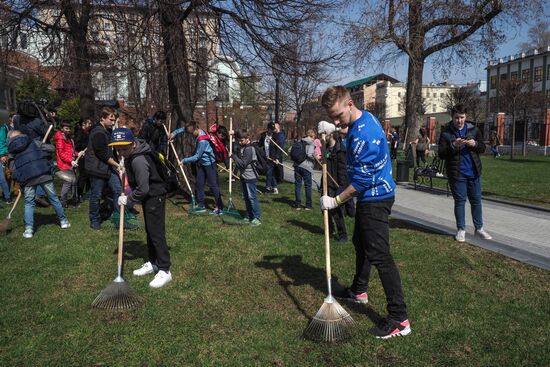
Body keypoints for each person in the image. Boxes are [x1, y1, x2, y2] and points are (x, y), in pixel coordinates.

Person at [320, 86, 410, 339]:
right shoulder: (364, 118)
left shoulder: (364, 138)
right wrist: (335, 129)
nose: (336, 120)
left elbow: (359, 183)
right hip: (373, 194)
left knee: (380, 255)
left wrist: (334, 201)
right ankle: (359, 291)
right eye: (332, 117)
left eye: (338, 115)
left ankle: (399, 318)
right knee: (361, 242)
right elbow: (350, 128)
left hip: (375, 197)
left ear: (350, 104)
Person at [110, 128, 172, 288]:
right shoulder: (132, 154)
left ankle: (165, 269)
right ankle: (153, 262)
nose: (121, 152)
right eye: (118, 149)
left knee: (156, 232)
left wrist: (128, 200)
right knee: (150, 230)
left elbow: (143, 188)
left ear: (133, 144)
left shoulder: (138, 160)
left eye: (124, 148)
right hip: (148, 195)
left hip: (154, 195)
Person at [438, 104, 492, 242]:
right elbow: (441, 154)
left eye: (462, 118)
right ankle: (461, 229)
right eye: (457, 118)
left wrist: (475, 145)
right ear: (452, 117)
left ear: (466, 117)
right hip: (457, 173)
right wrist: (453, 145)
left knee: (476, 201)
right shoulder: (446, 132)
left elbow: (482, 148)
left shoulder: (474, 130)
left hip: (474, 172)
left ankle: (479, 229)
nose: (459, 121)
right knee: (460, 201)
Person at [7, 130, 70, 238]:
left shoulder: (11, 151)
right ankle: (63, 222)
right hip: (43, 172)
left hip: (27, 179)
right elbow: (52, 148)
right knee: (54, 198)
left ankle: (28, 230)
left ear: (10, 139)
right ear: (21, 135)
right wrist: (41, 148)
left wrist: (20, 178)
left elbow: (13, 170)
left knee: (29, 203)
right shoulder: (34, 142)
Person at [84, 107, 123, 230]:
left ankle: (118, 216)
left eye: (114, 120)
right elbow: (102, 154)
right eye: (111, 119)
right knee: (96, 195)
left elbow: (111, 151)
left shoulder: (108, 131)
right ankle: (94, 219)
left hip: (108, 167)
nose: (113, 122)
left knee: (117, 190)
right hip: (97, 168)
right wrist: (118, 165)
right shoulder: (98, 132)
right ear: (102, 118)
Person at [180, 121, 224, 214]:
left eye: (192, 133)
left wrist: (184, 160)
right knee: (200, 184)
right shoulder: (199, 130)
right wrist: (174, 133)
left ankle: (220, 207)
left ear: (196, 129)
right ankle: (201, 205)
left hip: (209, 164)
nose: (191, 135)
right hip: (201, 164)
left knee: (213, 185)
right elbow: (184, 129)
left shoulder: (202, 140)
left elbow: (197, 156)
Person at [231, 129, 261, 225]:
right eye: (239, 140)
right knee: (246, 197)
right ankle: (249, 215)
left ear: (247, 138)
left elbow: (243, 164)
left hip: (250, 177)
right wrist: (233, 133)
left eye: (241, 140)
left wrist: (233, 157)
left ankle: (257, 217)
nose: (240, 142)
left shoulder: (249, 149)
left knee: (252, 197)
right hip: (244, 176)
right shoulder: (243, 146)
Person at [324, 132, 349, 243]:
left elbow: (343, 170)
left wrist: (342, 187)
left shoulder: (340, 150)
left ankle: (343, 234)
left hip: (336, 184)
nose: (323, 136)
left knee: (336, 211)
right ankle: (330, 230)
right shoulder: (326, 148)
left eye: (325, 134)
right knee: (324, 208)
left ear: (331, 135)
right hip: (326, 182)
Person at [54, 121, 79, 208]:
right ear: (62, 129)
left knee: (74, 182)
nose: (68, 130)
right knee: (68, 183)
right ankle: (63, 202)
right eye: (66, 128)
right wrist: (70, 161)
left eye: (69, 128)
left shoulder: (69, 139)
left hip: (70, 163)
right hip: (64, 164)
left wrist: (77, 154)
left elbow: (71, 151)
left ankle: (74, 201)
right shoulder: (60, 139)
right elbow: (61, 154)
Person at [292, 129, 316, 210]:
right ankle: (308, 205)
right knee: (308, 186)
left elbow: (290, 150)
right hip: (306, 167)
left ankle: (297, 204)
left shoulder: (300, 141)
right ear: (312, 135)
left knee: (298, 185)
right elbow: (309, 154)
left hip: (297, 165)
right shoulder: (311, 143)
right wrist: (315, 157)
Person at [259, 122, 280, 194]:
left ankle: (268, 187)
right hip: (265, 157)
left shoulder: (275, 136)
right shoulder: (263, 135)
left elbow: (278, 148)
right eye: (271, 129)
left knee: (269, 172)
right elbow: (260, 144)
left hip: (272, 157)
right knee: (271, 172)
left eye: (273, 130)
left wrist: (277, 158)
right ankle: (274, 187)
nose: (272, 131)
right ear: (268, 129)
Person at [0, 112, 15, 204]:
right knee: (2, 178)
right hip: (3, 153)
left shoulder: (3, 127)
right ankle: (7, 197)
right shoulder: (4, 127)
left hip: (7, 153)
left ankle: (7, 197)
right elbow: (2, 141)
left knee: (5, 177)